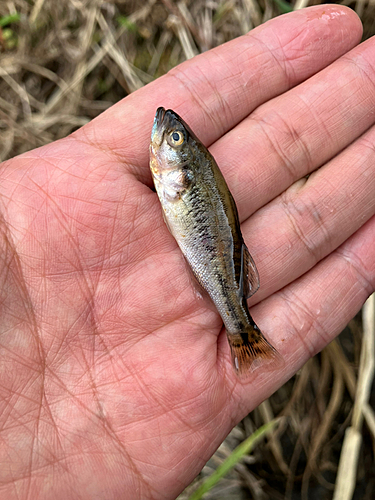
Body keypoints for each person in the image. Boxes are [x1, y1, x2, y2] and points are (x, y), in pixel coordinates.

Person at [0, 5, 374, 499]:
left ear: (183, 168)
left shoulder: (178, 182)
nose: (163, 133)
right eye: (175, 137)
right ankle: (244, 333)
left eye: (173, 139)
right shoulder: (174, 180)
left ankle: (244, 334)